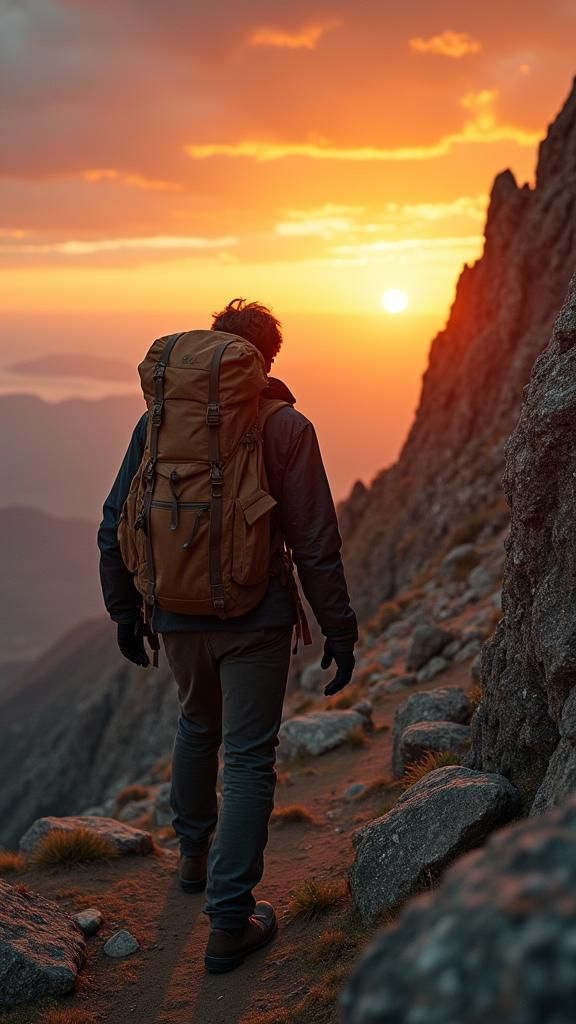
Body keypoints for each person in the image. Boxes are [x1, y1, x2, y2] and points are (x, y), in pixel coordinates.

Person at [97, 298, 357, 973]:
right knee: (246, 759)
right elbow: (316, 541)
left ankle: (191, 860)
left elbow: (113, 521)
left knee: (194, 727)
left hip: (175, 616)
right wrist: (340, 629)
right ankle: (231, 920)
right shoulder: (287, 426)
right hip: (257, 620)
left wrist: (126, 611)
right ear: (265, 358)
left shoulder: (158, 422)